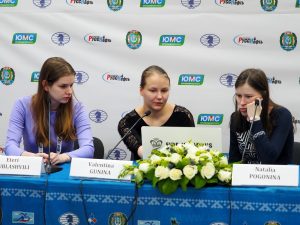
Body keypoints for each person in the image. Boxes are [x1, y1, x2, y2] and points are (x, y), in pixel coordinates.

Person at [5, 57, 94, 165]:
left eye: (71, 85)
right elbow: (10, 147)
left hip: (64, 173)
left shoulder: (77, 108)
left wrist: (64, 157)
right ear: (46, 85)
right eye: (63, 86)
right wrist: (32, 157)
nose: (70, 91)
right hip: (32, 171)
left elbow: (88, 149)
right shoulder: (22, 105)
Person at [118, 65, 195, 160]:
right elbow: (142, 152)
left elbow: (192, 153)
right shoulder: (128, 122)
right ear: (141, 90)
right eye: (153, 90)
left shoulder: (183, 116)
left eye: (164, 90)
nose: (159, 96)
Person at [229, 68, 294, 164]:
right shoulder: (235, 118)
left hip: (276, 176)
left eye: (248, 96)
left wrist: (255, 120)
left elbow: (268, 158)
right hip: (246, 177)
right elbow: (234, 161)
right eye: (238, 96)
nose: (241, 102)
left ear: (263, 96)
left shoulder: (282, 115)